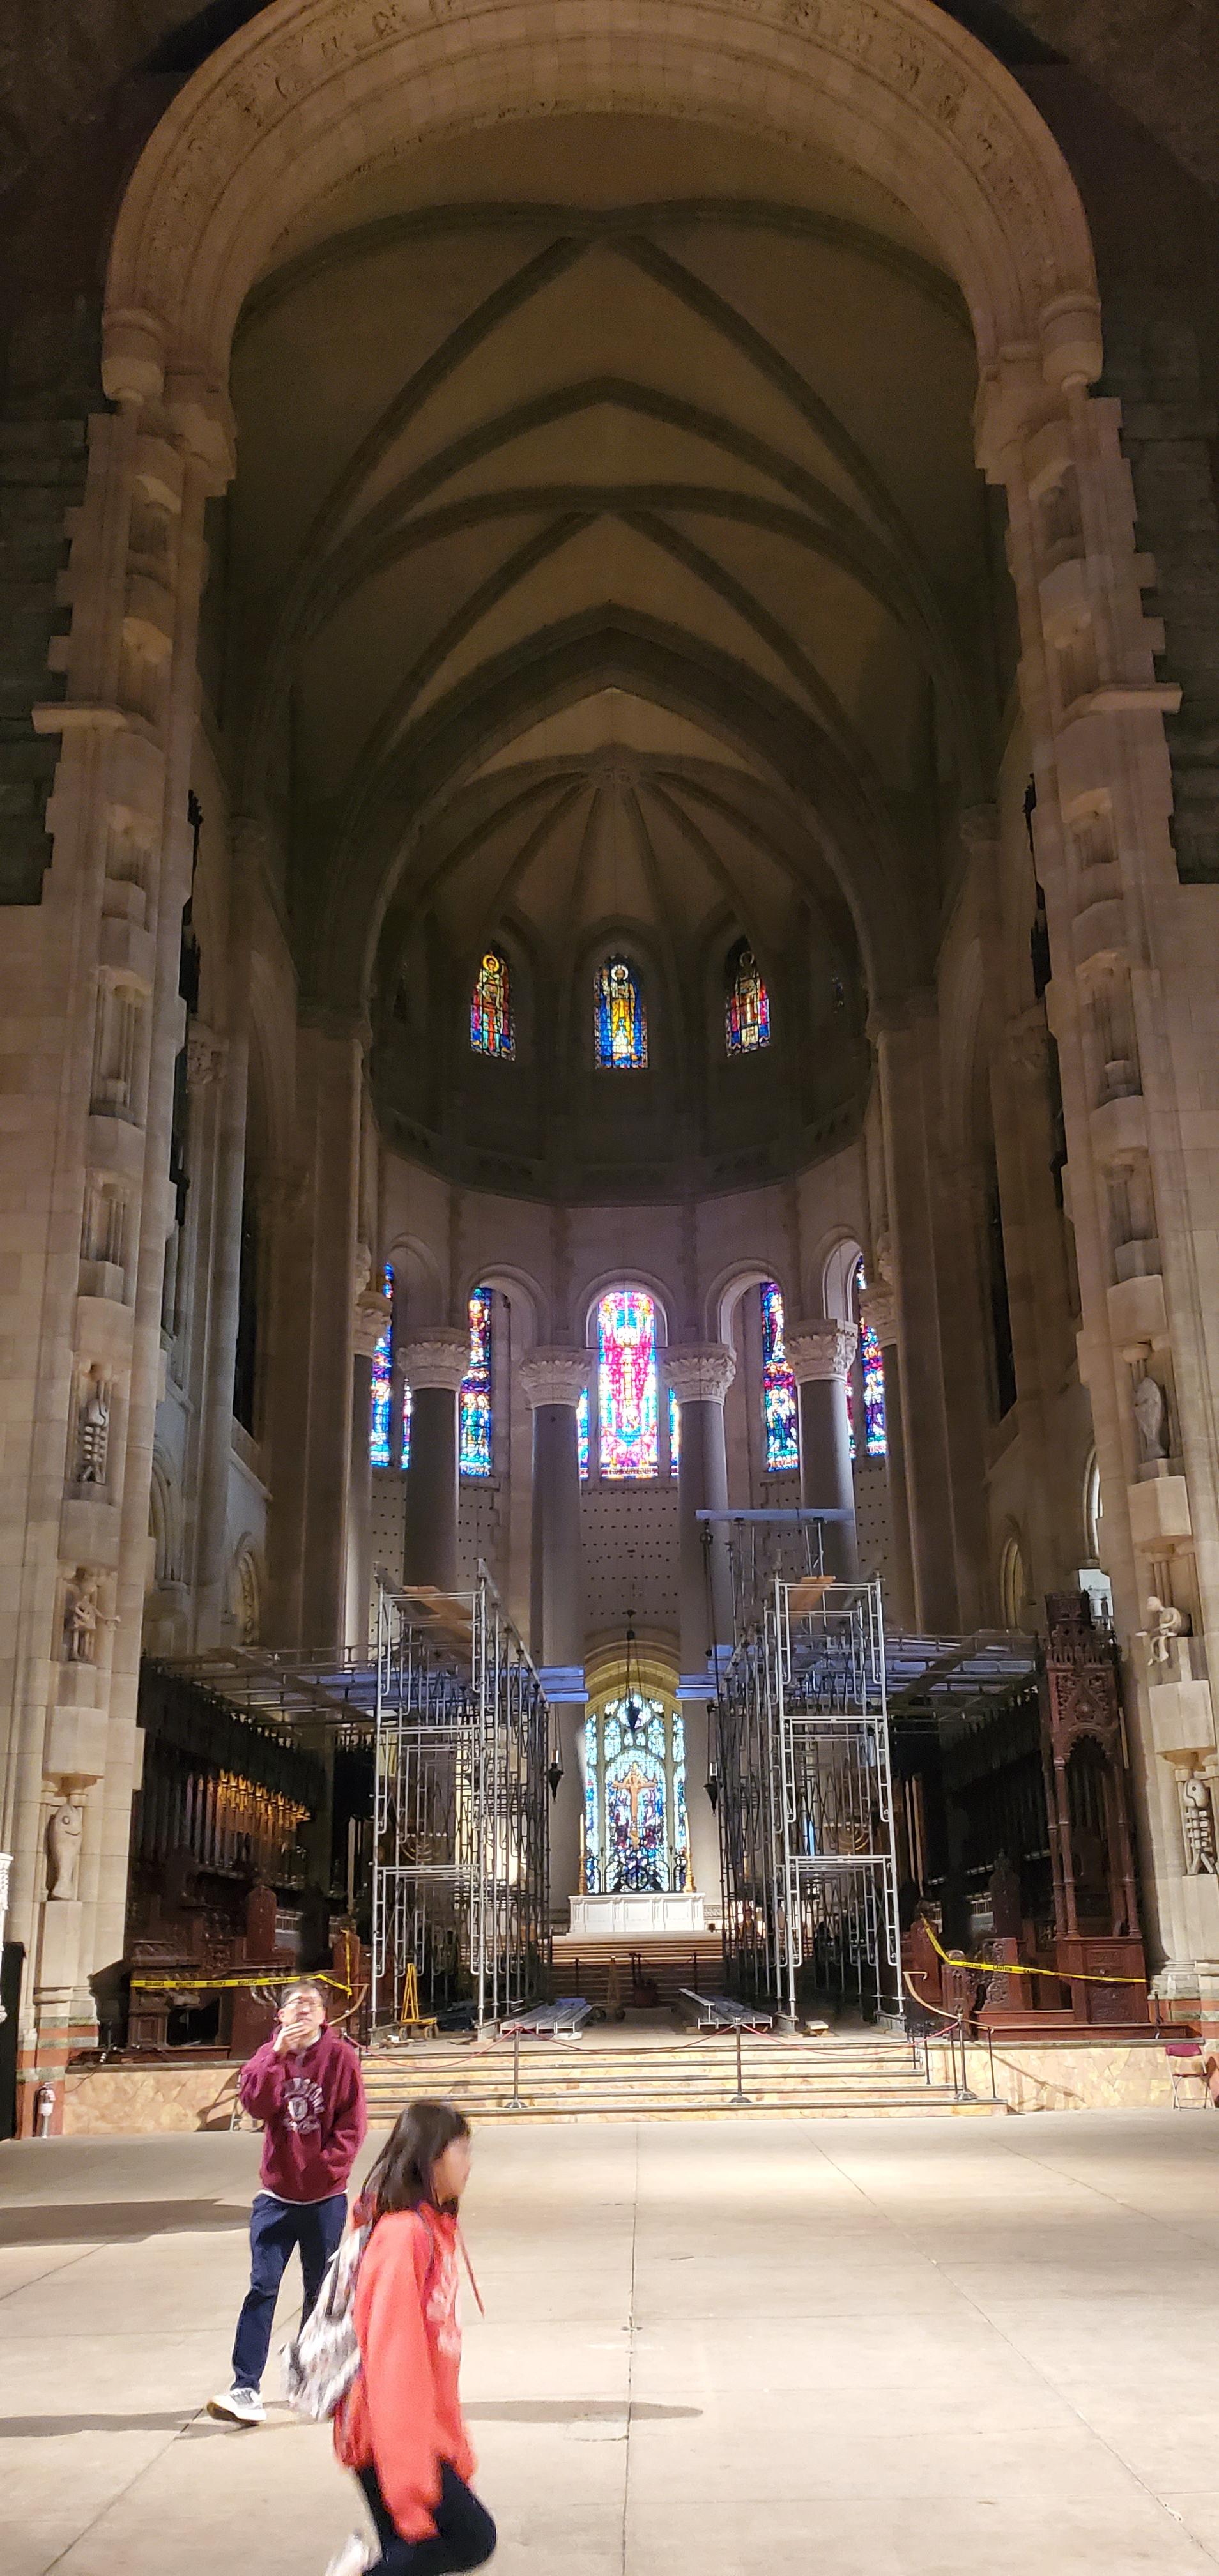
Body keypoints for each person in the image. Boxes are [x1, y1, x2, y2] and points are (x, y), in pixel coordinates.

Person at [328, 2099, 496, 2576]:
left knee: (415, 2556)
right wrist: (409, 2471)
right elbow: (392, 2356)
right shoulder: (404, 2236)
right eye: (462, 2150)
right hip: (387, 2431)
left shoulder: (433, 2228)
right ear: (432, 2157)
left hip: (417, 2430)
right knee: (472, 2538)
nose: (469, 2163)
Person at [210, 1976, 367, 2426]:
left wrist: (326, 2169)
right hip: (276, 2198)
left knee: (320, 2296)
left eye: (312, 2004)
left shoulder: (341, 2058)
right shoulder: (267, 2056)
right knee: (262, 2288)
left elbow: (352, 2124)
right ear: (280, 2016)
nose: (304, 2009)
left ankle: (310, 2381)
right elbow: (257, 2105)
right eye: (295, 2004)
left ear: (325, 2016)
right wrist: (276, 2055)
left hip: (324, 2199)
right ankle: (245, 2387)